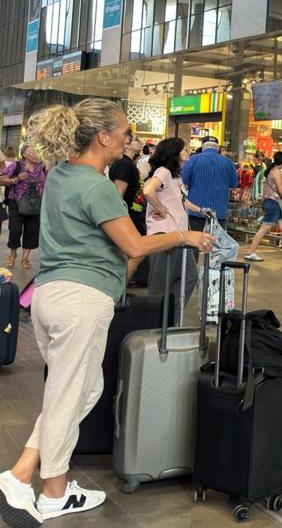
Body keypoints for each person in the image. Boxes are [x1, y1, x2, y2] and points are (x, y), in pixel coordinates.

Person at [0, 100, 213, 525]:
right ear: (102, 136)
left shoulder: (61, 174)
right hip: (81, 300)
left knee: (82, 389)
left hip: (50, 295)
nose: (128, 140)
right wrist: (183, 235)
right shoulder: (96, 185)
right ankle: (43, 485)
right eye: (124, 132)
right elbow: (134, 245)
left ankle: (28, 472)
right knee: (68, 394)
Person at [142, 138, 208, 306]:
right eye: (184, 149)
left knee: (190, 276)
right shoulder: (163, 171)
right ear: (174, 152)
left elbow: (181, 201)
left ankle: (170, 315)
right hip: (164, 234)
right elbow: (148, 190)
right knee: (160, 283)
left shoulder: (175, 176)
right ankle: (156, 320)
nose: (188, 152)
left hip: (179, 235)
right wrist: (160, 208)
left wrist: (201, 210)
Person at [2, 146, 47, 271]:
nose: (35, 153)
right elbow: (1, 180)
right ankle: (12, 253)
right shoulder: (15, 166)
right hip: (16, 202)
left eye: (36, 151)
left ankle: (25, 258)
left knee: (31, 232)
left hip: (35, 203)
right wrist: (17, 179)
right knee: (15, 230)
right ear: (24, 155)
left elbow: (49, 183)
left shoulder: (43, 167)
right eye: (32, 151)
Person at [180, 136, 238, 234]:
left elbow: (182, 181)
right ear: (218, 148)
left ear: (202, 146)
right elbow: (233, 185)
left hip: (196, 212)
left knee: (196, 244)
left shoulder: (193, 160)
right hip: (219, 213)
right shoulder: (229, 163)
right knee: (216, 245)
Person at [246, 152, 282, 263]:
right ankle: (251, 252)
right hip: (273, 203)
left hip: (275, 203)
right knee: (264, 228)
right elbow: (281, 190)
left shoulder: (273, 171)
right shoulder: (276, 172)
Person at [108, 131, 146, 236]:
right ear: (126, 144)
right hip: (127, 220)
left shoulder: (126, 163)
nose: (140, 142)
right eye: (136, 139)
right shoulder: (124, 164)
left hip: (131, 216)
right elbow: (118, 195)